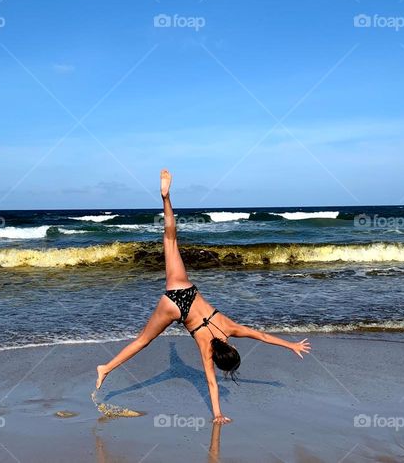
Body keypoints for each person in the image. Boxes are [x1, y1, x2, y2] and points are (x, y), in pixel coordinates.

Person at [95, 169, 310, 423]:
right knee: (142, 341)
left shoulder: (229, 328)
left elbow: (260, 336)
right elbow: (210, 383)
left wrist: (291, 345)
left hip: (184, 288)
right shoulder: (207, 349)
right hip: (175, 307)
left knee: (171, 238)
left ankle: (166, 198)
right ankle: (106, 368)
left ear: (230, 347)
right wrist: (218, 414)